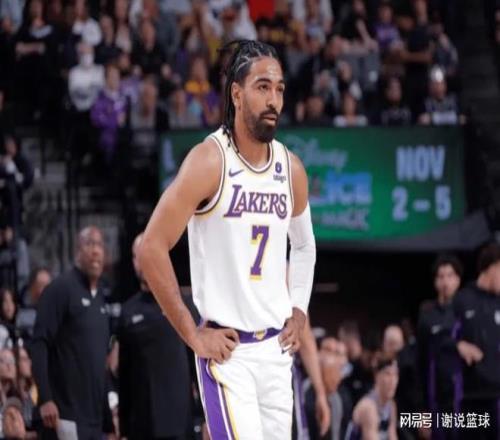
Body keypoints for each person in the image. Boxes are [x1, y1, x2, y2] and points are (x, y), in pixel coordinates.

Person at [140, 39, 316, 440]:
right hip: (228, 354)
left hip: (276, 352)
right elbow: (151, 247)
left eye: (279, 89)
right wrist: (192, 333)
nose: (273, 100)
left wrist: (299, 309)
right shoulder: (209, 161)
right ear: (236, 94)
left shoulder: (291, 169)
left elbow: (305, 246)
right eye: (262, 87)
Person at [30, 226, 114, 439]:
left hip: (95, 422)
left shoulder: (101, 300)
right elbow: (39, 343)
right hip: (63, 416)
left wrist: (108, 422)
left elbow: (100, 364)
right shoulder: (59, 289)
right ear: (77, 251)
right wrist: (46, 398)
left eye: (99, 245)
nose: (96, 250)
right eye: (89, 243)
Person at [118, 233, 191, 439]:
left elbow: (198, 365)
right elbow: (124, 374)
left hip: (180, 425)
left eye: (147, 253)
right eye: (137, 255)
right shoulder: (127, 312)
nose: (143, 260)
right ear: (133, 262)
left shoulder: (183, 306)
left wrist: (204, 417)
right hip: (142, 426)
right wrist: (123, 428)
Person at [452, 243, 500, 440]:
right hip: (468, 398)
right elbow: (440, 339)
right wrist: (458, 345)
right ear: (493, 267)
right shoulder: (462, 300)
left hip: (497, 397)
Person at [417, 254, 463, 433]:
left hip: (464, 397)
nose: (445, 282)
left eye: (450, 276)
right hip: (436, 397)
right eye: (441, 276)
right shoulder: (427, 315)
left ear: (458, 279)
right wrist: (422, 410)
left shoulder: (466, 311)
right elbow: (420, 361)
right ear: (435, 282)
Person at [345, 354, 398, 440]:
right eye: (387, 374)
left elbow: (392, 435)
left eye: (395, 375)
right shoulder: (368, 407)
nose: (392, 381)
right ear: (376, 375)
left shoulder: (391, 406)